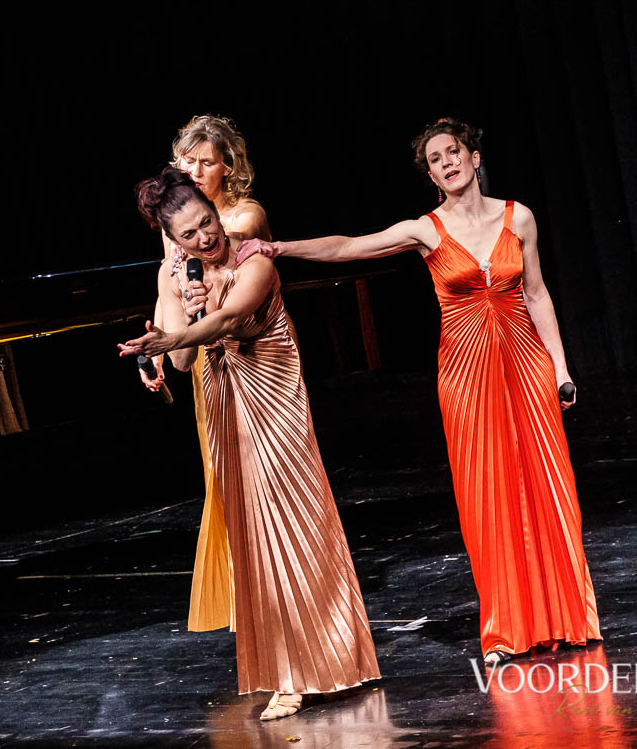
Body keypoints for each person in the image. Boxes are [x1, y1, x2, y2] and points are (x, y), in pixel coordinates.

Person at [256, 119, 602, 666]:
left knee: (547, 483)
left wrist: (561, 370)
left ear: (474, 156)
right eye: (436, 159)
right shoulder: (426, 230)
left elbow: (536, 294)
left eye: (454, 151)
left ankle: (568, 617)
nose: (448, 162)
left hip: (525, 364)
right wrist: (279, 247)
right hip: (466, 376)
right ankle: (506, 629)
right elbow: (350, 246)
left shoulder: (519, 217)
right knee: (487, 493)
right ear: (432, 176)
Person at [119, 168, 380, 720]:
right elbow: (184, 360)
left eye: (206, 222)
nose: (204, 238)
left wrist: (187, 329)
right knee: (249, 533)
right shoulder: (174, 273)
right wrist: (181, 318)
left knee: (294, 521)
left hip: (272, 392)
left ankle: (327, 658)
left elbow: (234, 318)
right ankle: (286, 670)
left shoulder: (253, 257)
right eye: (189, 234)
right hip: (222, 399)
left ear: (215, 211)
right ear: (172, 238)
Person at [140, 116, 271, 634]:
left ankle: (271, 585)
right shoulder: (177, 229)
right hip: (205, 359)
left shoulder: (242, 215)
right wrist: (158, 344)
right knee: (222, 471)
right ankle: (242, 592)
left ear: (228, 167)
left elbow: (228, 247)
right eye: (187, 161)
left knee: (260, 470)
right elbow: (171, 283)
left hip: (254, 353)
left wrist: (192, 242)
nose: (195, 170)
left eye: (207, 161)